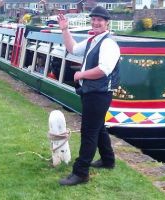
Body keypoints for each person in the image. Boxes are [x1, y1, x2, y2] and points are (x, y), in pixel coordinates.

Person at [57, 6, 120, 186]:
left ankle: (81, 172)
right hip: (92, 92)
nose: (95, 22)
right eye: (93, 19)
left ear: (107, 23)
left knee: (89, 132)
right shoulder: (93, 39)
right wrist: (64, 28)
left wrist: (80, 75)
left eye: (99, 20)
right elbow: (73, 48)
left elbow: (103, 70)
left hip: (99, 94)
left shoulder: (108, 43)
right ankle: (108, 160)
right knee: (98, 127)